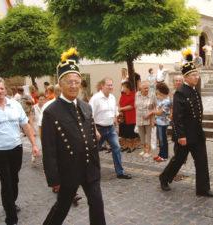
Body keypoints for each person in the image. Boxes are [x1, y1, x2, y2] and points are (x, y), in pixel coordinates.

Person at [41, 48, 106, 225]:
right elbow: (49, 149)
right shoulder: (51, 112)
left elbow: (91, 133)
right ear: (60, 84)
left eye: (77, 82)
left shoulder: (86, 107)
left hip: (89, 167)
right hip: (68, 171)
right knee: (62, 207)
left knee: (97, 204)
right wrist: (54, 179)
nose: (74, 85)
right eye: (69, 82)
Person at [159, 62, 213, 198]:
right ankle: (164, 178)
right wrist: (181, 136)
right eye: (193, 75)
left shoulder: (195, 91)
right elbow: (177, 118)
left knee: (202, 161)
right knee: (178, 160)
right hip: (185, 135)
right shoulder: (180, 93)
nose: (197, 77)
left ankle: (203, 189)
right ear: (186, 77)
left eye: (197, 74)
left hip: (197, 134)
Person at [0, 77, 39, 225]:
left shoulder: (15, 105)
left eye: (1, 88)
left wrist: (34, 144)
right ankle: (11, 218)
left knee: (14, 179)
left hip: (16, 149)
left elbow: (25, 125)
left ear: (5, 89)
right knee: (6, 182)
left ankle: (11, 203)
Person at [89, 77, 132, 179]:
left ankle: (120, 172)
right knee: (94, 151)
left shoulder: (112, 97)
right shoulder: (95, 98)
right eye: (108, 85)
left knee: (116, 148)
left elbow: (114, 112)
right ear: (102, 86)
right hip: (99, 129)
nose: (111, 87)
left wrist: (116, 119)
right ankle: (91, 172)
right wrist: (95, 131)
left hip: (111, 129)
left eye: (111, 85)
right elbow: (90, 116)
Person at [135, 81, 156, 158]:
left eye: (148, 88)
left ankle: (148, 151)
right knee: (142, 136)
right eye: (145, 88)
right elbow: (136, 105)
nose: (147, 89)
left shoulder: (152, 95)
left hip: (149, 119)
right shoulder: (137, 94)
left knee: (148, 136)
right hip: (139, 119)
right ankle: (144, 150)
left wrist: (151, 116)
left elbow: (155, 107)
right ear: (141, 88)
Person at [153, 82, 171, 162]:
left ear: (160, 91)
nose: (156, 92)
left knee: (163, 140)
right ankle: (160, 154)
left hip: (163, 123)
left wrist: (153, 111)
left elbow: (160, 112)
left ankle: (164, 156)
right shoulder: (161, 100)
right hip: (159, 122)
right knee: (160, 140)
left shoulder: (166, 101)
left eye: (157, 90)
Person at [118, 81, 137, 153]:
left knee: (130, 133)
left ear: (128, 87)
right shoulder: (123, 94)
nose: (122, 88)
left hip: (131, 117)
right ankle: (125, 146)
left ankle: (131, 147)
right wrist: (120, 110)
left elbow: (132, 106)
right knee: (123, 133)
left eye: (123, 87)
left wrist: (121, 109)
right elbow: (119, 103)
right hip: (123, 117)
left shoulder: (133, 95)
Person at [31, 92, 46, 164]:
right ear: (38, 100)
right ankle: (34, 156)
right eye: (40, 99)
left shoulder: (46, 107)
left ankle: (44, 160)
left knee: (44, 146)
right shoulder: (34, 107)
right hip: (36, 129)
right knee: (38, 145)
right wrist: (32, 129)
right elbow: (30, 118)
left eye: (43, 99)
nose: (42, 101)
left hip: (44, 129)